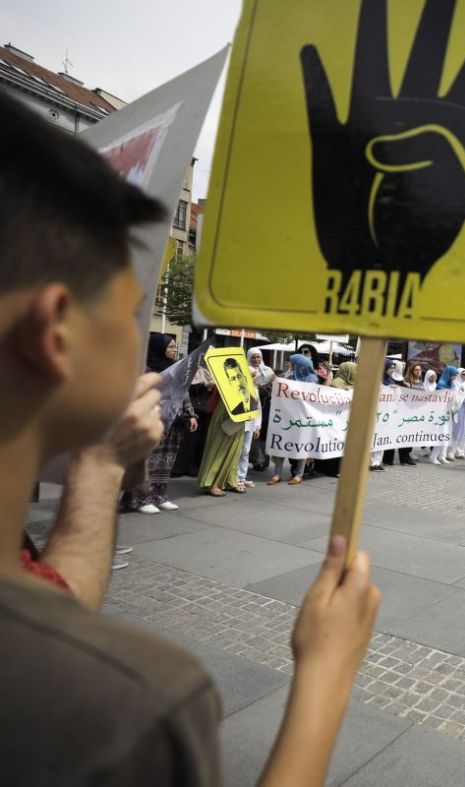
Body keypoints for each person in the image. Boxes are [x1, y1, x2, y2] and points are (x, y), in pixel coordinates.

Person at [1, 91, 379, 783]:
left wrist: (100, 464)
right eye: (129, 304)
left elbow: (44, 603)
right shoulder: (130, 707)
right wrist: (327, 674)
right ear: (57, 331)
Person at [121, 333, 198, 514]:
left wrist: (191, 414)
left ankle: (159, 496)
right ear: (159, 348)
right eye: (170, 347)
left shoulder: (177, 370)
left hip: (175, 423)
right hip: (154, 421)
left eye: (174, 347)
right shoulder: (147, 370)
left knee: (166, 462)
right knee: (148, 461)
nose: (173, 350)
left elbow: (183, 393)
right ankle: (139, 499)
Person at [197, 357, 248, 497]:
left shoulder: (244, 376)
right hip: (225, 412)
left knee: (235, 449)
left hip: (241, 412)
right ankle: (210, 482)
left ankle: (230, 480)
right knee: (218, 447)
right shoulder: (220, 377)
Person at [269, 354, 317, 484]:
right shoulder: (289, 377)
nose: (289, 365)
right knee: (280, 444)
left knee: (300, 445)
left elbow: (310, 397)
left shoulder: (311, 378)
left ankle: (299, 474)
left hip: (302, 418)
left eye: (292, 363)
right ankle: (276, 474)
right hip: (287, 416)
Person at [381, 359, 417, 467]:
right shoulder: (386, 380)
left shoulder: (402, 380)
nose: (402, 367)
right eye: (398, 366)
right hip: (389, 411)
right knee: (390, 435)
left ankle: (405, 457)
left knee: (405, 434)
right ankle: (387, 458)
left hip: (402, 411)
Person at [248, 347, 275, 470]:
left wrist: (269, 385)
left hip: (266, 407)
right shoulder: (245, 370)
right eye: (253, 357)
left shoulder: (268, 371)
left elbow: (274, 388)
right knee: (253, 432)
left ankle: (263, 461)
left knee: (263, 433)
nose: (256, 359)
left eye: (258, 357)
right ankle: (256, 461)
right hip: (252, 406)